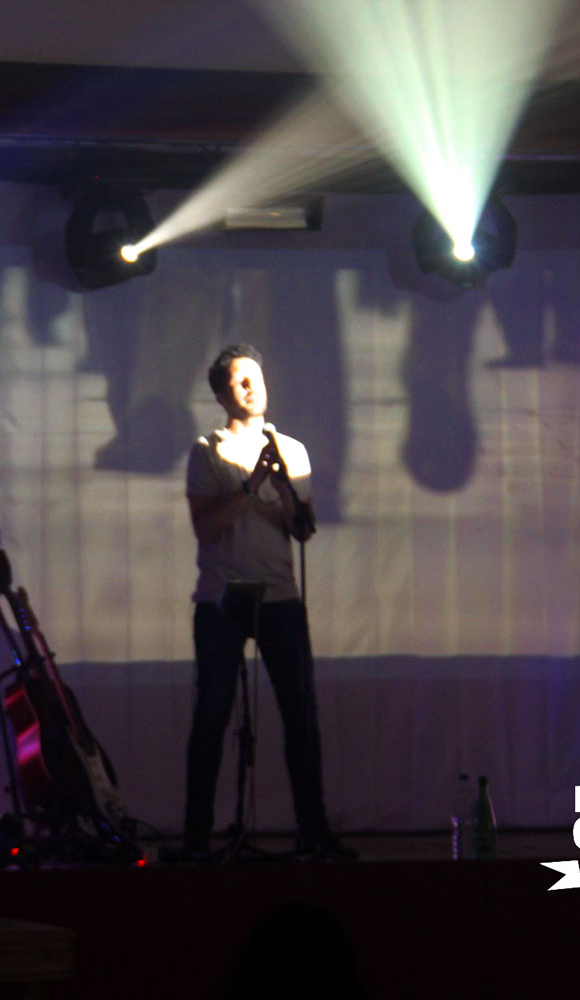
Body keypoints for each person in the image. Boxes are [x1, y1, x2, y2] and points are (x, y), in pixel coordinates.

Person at [183, 343, 345, 858]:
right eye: (241, 381)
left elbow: (303, 530)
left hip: (280, 600)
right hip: (221, 602)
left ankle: (314, 830)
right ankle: (196, 838)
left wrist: (285, 492)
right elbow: (205, 528)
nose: (254, 388)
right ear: (221, 394)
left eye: (257, 377)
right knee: (212, 718)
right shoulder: (207, 451)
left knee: (301, 716)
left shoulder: (291, 450)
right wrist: (252, 486)